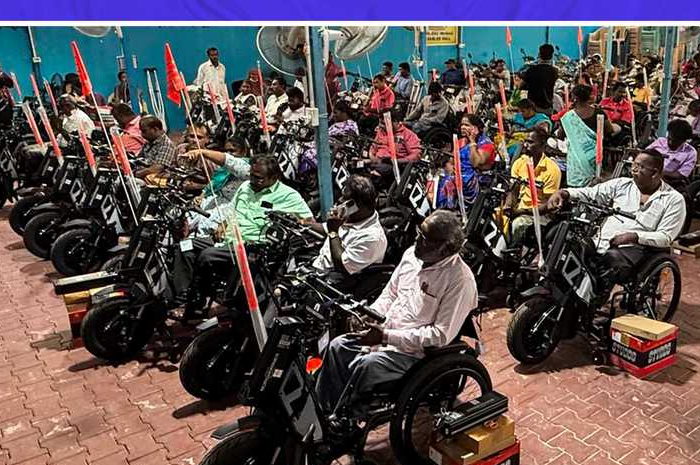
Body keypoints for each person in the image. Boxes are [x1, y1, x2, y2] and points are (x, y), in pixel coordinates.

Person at [315, 210, 478, 413]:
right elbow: (390, 294)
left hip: (416, 354)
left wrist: (386, 337)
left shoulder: (459, 281)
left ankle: (347, 418)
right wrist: (369, 314)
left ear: (445, 249)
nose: (417, 240)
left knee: (366, 365)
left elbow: (439, 335)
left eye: (425, 239)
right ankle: (322, 410)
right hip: (385, 334)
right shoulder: (412, 255)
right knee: (338, 346)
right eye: (419, 233)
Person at [180, 151, 314, 317]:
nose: (253, 181)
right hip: (227, 238)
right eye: (252, 175)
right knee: (184, 247)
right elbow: (232, 209)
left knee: (207, 256)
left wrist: (293, 220)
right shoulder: (245, 187)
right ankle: (184, 296)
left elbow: (309, 222)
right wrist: (223, 223)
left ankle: (197, 306)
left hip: (250, 246)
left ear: (274, 177)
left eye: (259, 178)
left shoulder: (289, 196)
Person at [546, 149, 687, 284]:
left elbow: (665, 237)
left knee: (609, 262)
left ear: (654, 173)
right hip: (602, 242)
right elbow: (590, 193)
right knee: (570, 247)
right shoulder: (622, 185)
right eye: (633, 165)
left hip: (636, 250)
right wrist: (564, 193)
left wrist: (634, 236)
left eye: (639, 167)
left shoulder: (673, 199)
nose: (633, 169)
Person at [309, 176, 388, 288]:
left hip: (332, 283)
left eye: (344, 198)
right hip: (317, 266)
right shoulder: (352, 217)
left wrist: (333, 232)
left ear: (356, 205)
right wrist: (302, 222)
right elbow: (325, 228)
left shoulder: (372, 237)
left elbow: (342, 265)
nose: (340, 200)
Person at [507, 129, 561, 247]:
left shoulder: (552, 170)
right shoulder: (520, 163)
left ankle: (514, 253)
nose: (526, 145)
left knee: (518, 224)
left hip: (540, 215)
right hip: (519, 209)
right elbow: (513, 190)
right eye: (525, 141)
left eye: (531, 142)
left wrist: (522, 212)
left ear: (542, 144)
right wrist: (508, 206)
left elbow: (549, 205)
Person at [436, 114, 496, 210]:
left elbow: (476, 163)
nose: (463, 127)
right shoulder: (461, 142)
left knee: (449, 182)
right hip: (458, 174)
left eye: (467, 125)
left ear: (476, 128)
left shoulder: (486, 144)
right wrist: (450, 168)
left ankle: (448, 211)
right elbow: (451, 161)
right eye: (462, 125)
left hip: (476, 177)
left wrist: (472, 141)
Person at [559, 84, 610, 189]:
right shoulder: (598, 112)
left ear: (574, 98)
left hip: (576, 158)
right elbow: (610, 130)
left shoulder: (568, 117)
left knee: (576, 190)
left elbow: (561, 135)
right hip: (595, 154)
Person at [367, 108, 420, 189]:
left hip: (394, 166)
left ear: (395, 122)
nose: (380, 126)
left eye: (383, 123)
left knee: (377, 174)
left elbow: (415, 156)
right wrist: (372, 157)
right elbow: (373, 148)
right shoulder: (381, 131)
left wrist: (397, 161)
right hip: (376, 162)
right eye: (380, 123)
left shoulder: (409, 135)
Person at [646, 119, 697, 187]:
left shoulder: (690, 153)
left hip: (670, 183)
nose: (670, 143)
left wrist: (661, 173)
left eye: (675, 141)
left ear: (684, 140)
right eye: (669, 139)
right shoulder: (660, 142)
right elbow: (644, 155)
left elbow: (682, 174)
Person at [521, 44, 560, 114]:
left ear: (539, 55)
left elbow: (520, 86)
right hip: (548, 108)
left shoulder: (531, 70)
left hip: (532, 109)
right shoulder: (554, 71)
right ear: (552, 56)